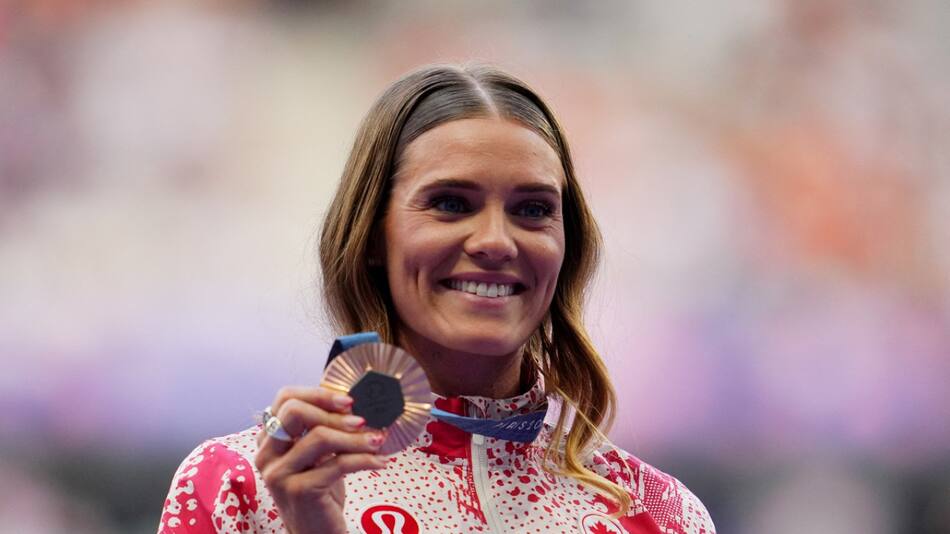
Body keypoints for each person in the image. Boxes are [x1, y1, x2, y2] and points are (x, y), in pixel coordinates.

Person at [158, 64, 716, 534]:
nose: (496, 241)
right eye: (451, 203)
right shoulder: (240, 487)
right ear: (373, 235)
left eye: (533, 209)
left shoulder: (660, 515)